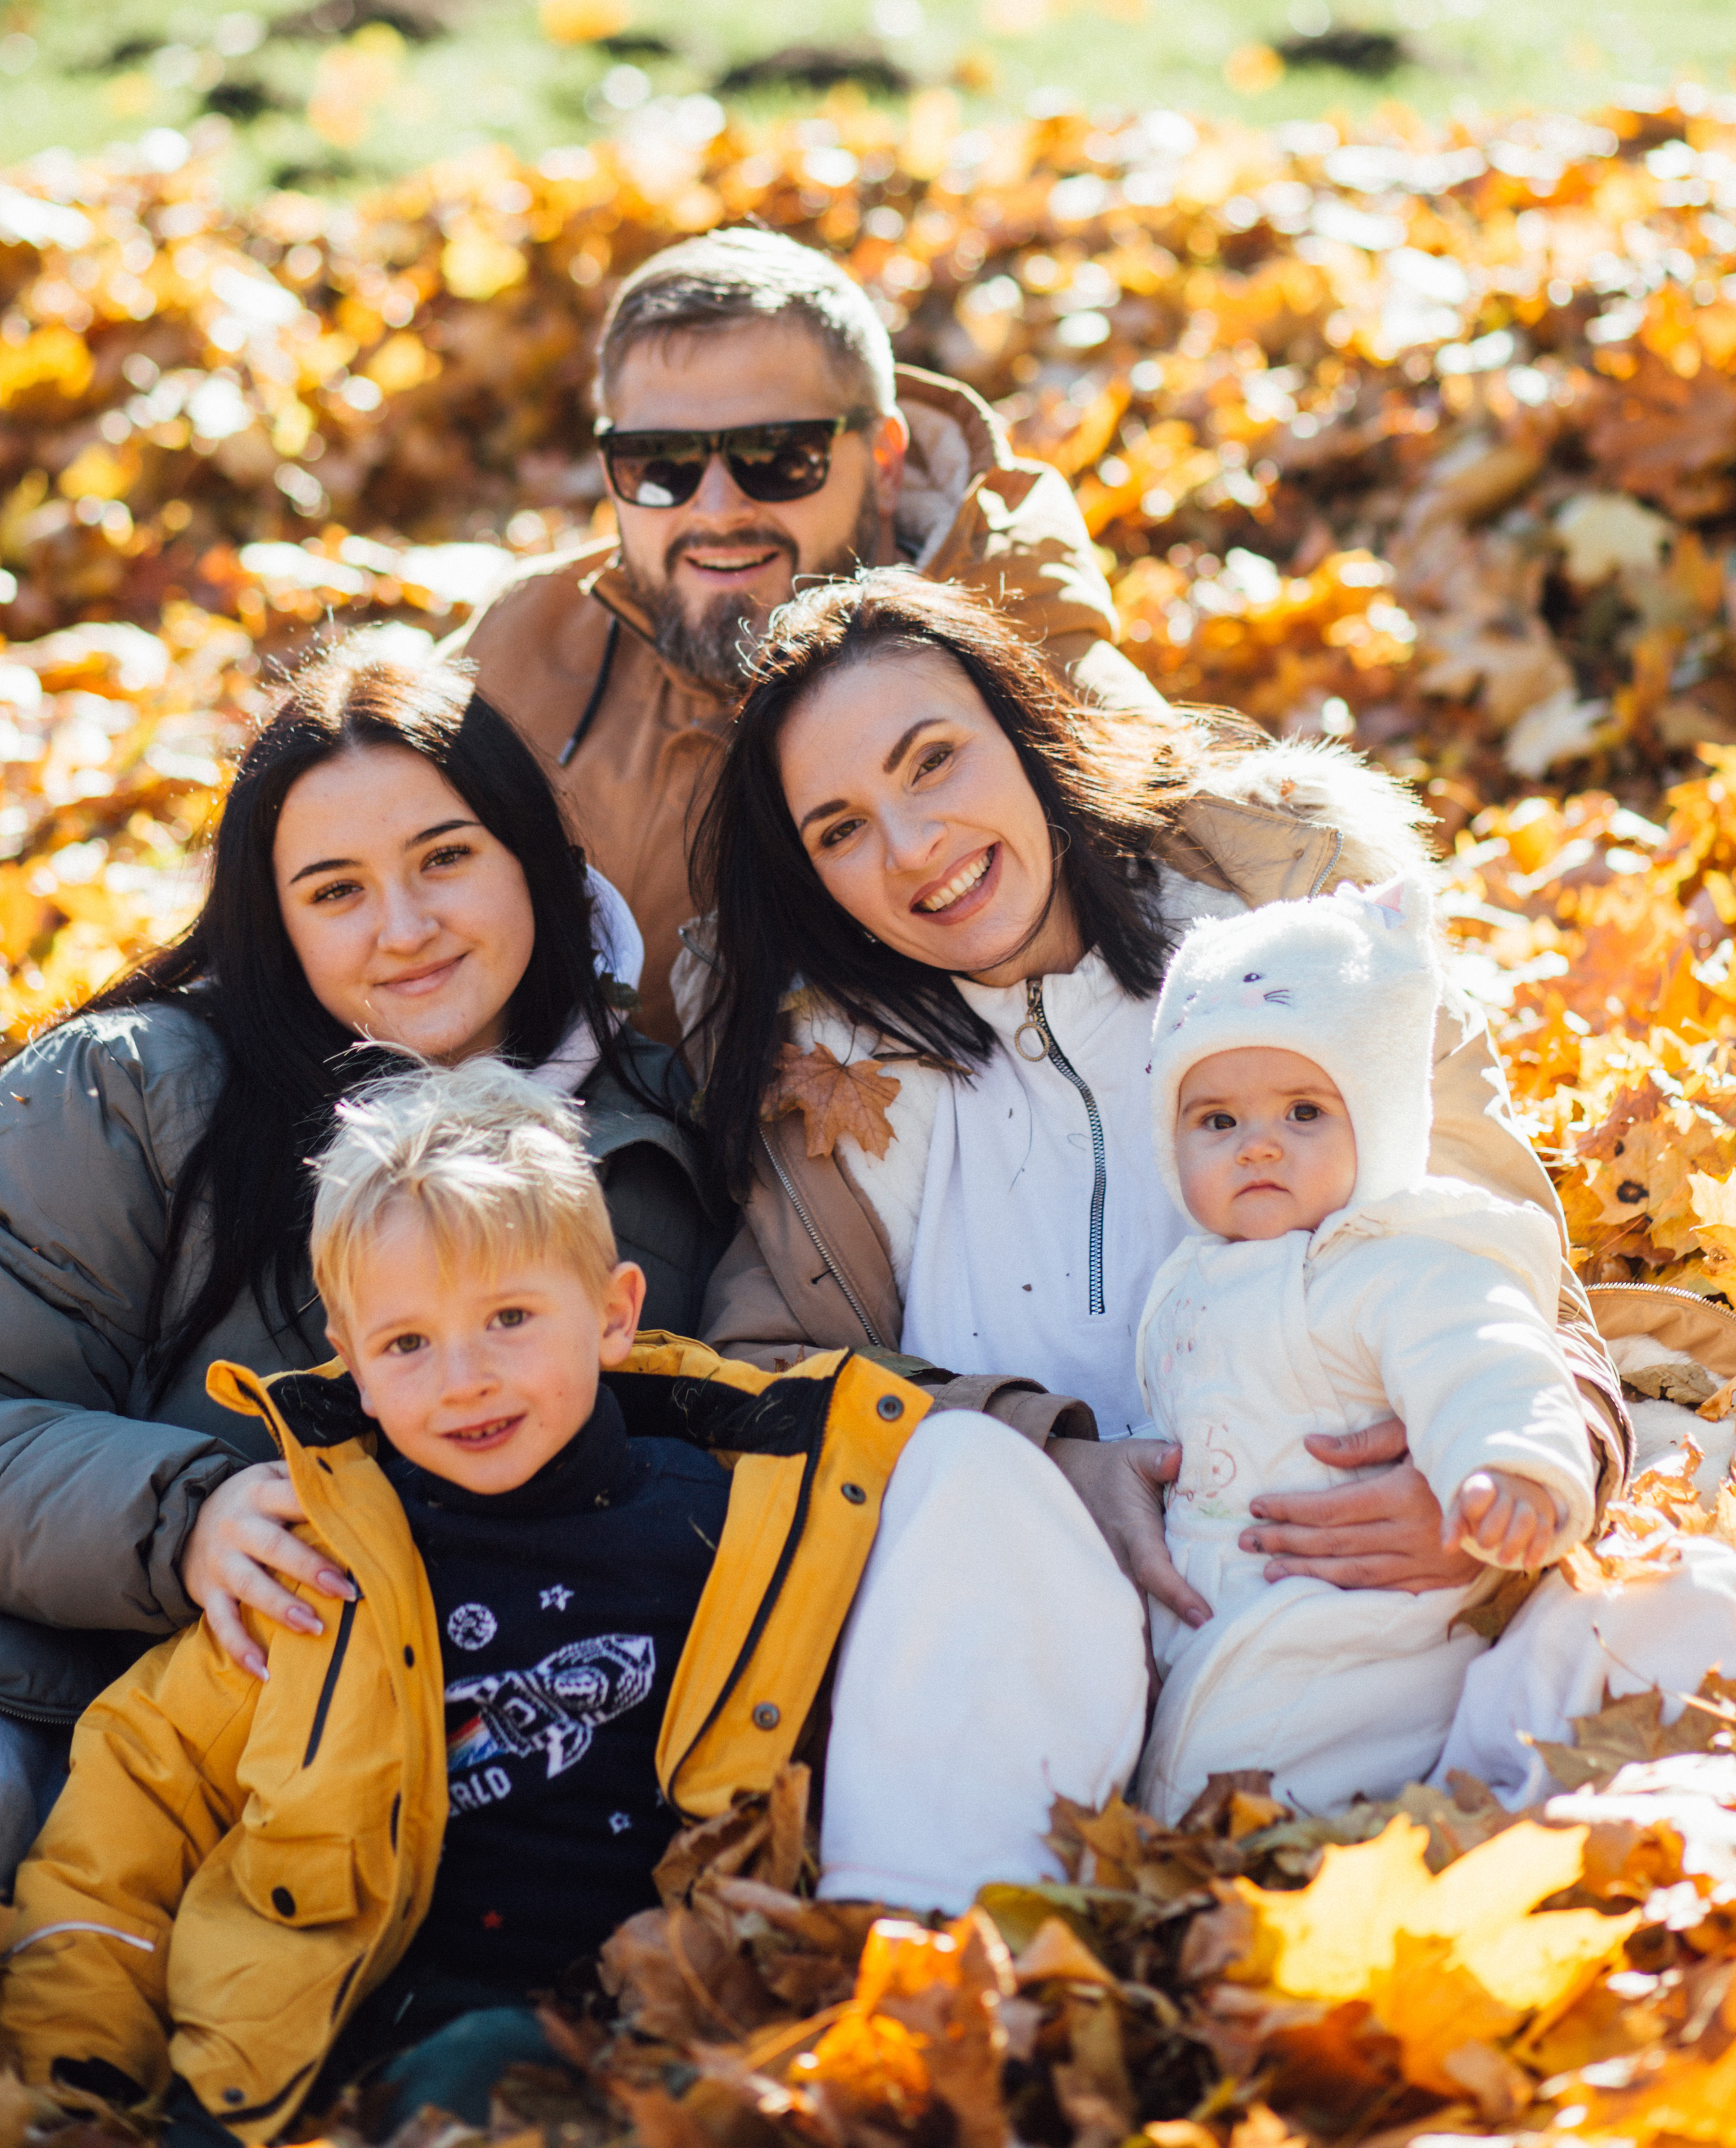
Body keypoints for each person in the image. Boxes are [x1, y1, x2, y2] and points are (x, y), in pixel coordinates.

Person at [0, 1059, 1146, 2142]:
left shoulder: (745, 1518)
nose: (467, 1378)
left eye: (509, 1318)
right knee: (484, 2067)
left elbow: (906, 1664)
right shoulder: (323, 1559)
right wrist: (77, 2058)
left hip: (675, 2006)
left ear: (612, 1312)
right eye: (408, 1342)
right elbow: (140, 1798)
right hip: (361, 2033)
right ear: (347, 1358)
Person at [690, 570, 1633, 1624]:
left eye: (936, 760)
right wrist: (1045, 1458)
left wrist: (1511, 1489)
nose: (915, 846)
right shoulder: (828, 1094)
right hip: (1044, 1636)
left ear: (1026, 731)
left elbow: (1520, 1275)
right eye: (840, 830)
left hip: (1396, 1600)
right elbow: (756, 1382)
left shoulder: (1296, 934)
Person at [0, 643, 723, 1894]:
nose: (406, 929)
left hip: (447, 1799)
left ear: (534, 860)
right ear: (273, 920)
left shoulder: (652, 1138)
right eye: (335, 890)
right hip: (65, 1715)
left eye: (446, 858)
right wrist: (187, 1517)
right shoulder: (132, 1091)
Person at [442, 225, 1167, 1046]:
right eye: (659, 464)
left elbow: (1250, 885)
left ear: (884, 461)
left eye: (774, 455)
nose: (714, 510)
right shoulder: (523, 640)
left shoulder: (1032, 660)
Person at [1132, 875, 1596, 1820]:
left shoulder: (1395, 1260)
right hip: (1211, 1600)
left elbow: (1485, 1354)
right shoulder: (1188, 1278)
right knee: (1192, 1770)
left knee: (1299, 1782)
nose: (1258, 1146)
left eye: (1303, 1112)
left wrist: (1510, 1465)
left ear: (1376, 1123)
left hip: (1363, 1621)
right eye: (1218, 1120)